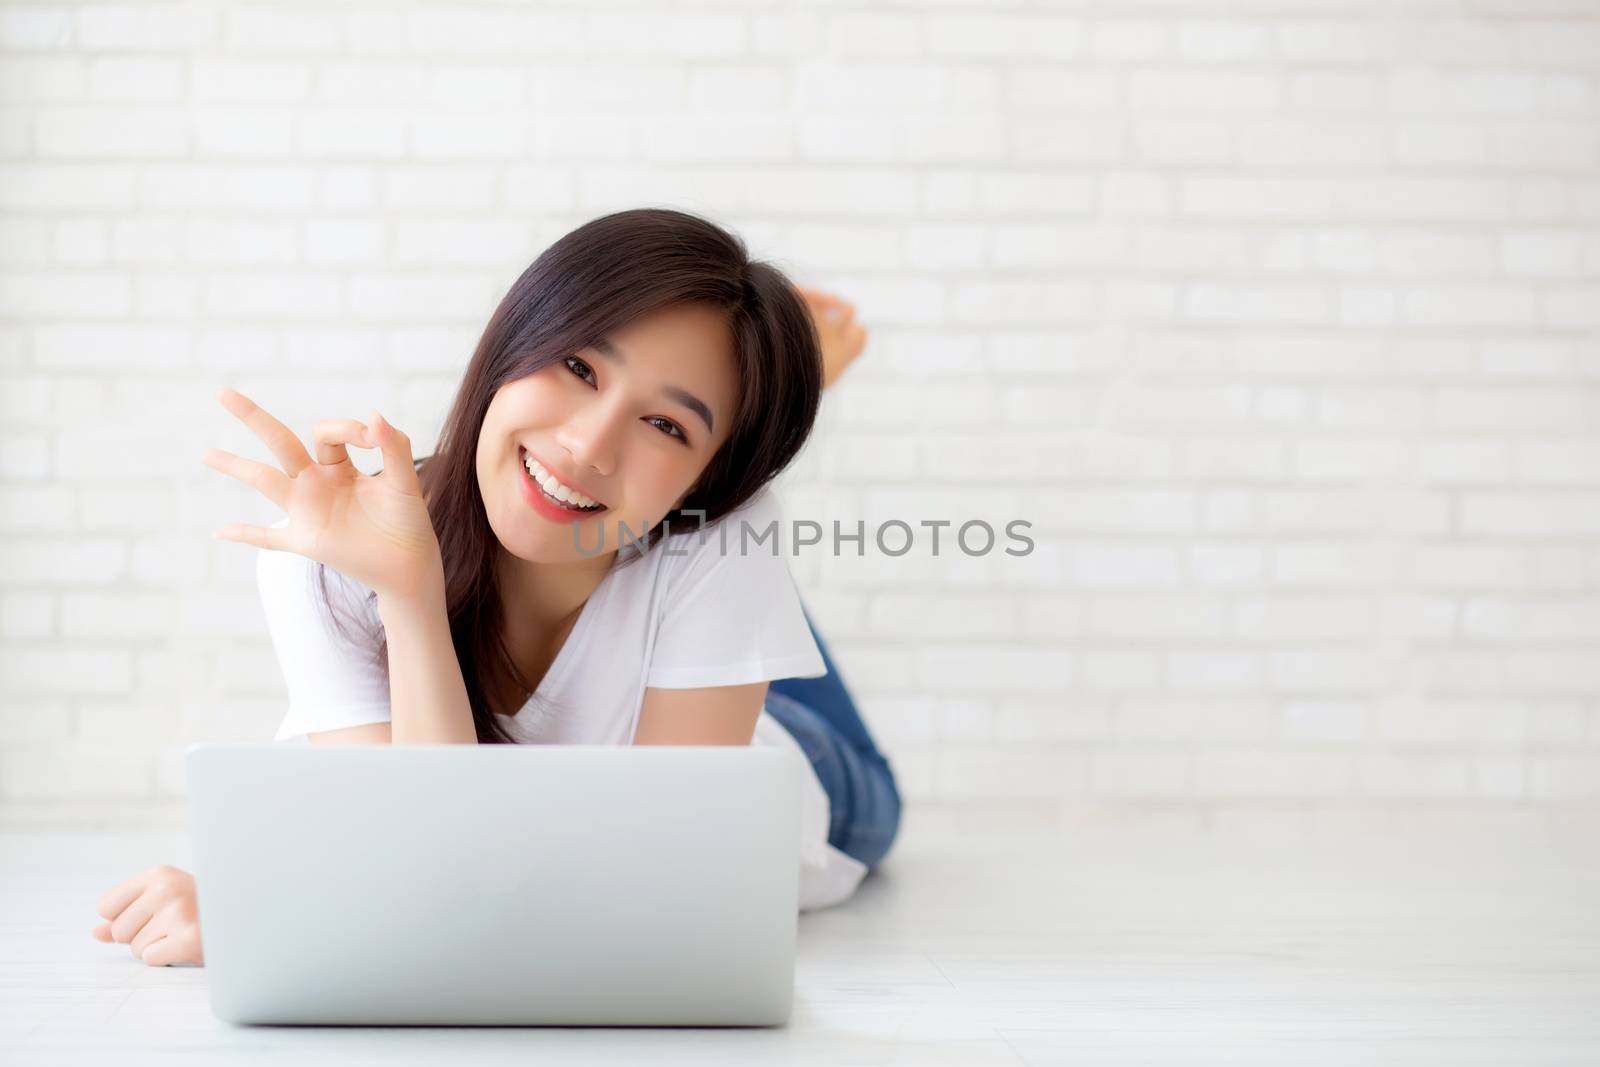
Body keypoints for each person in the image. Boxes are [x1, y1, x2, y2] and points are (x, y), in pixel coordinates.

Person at [90, 208, 902, 968]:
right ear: (514, 338)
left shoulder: (722, 531)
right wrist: (410, 595)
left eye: (666, 422)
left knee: (727, 544)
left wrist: (263, 907)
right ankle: (725, 438)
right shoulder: (328, 552)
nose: (586, 444)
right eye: (579, 367)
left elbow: (643, 887)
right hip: (673, 568)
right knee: (701, 543)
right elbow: (430, 868)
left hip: (801, 772)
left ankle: (749, 441)